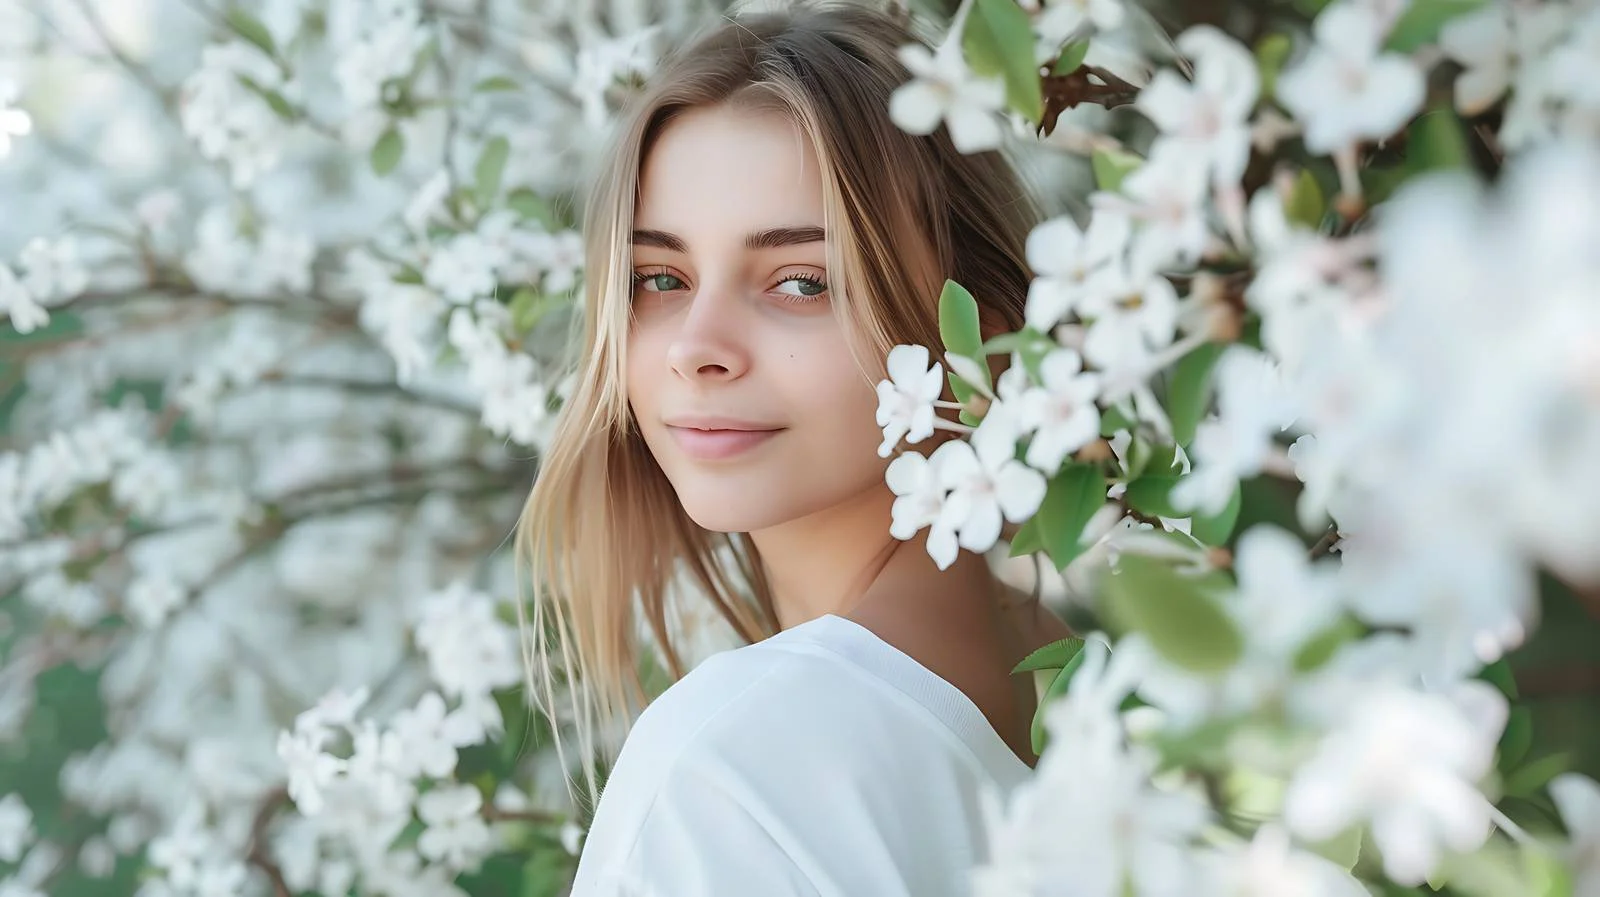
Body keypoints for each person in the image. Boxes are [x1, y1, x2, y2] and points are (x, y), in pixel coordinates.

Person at [515, 2, 1075, 894]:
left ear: (985, 335)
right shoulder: (1092, 689)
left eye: (802, 282)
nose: (697, 346)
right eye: (660, 277)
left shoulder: (725, 771)